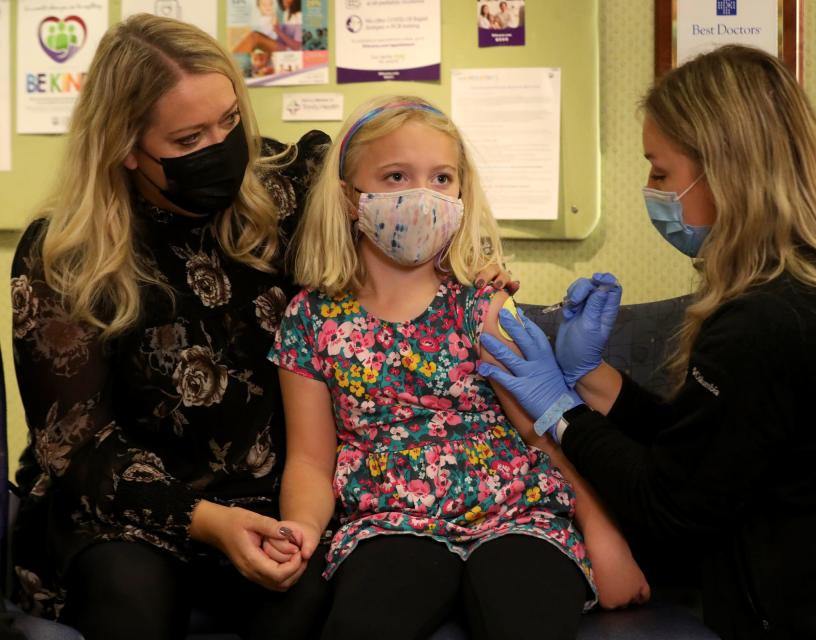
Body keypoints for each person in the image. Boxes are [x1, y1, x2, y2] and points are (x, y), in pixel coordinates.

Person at [480, 45, 816, 639]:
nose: (650, 189)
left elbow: (671, 505)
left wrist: (561, 414)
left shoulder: (767, 322)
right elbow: (715, 446)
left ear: (726, 171)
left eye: (661, 172)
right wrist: (593, 380)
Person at [266, 96, 649, 640]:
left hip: (520, 514)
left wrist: (604, 536)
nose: (423, 195)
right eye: (396, 175)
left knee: (525, 616)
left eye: (442, 177)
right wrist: (302, 528)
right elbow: (309, 458)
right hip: (390, 521)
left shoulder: (484, 304)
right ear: (349, 197)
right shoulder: (309, 318)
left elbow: (542, 433)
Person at [8, 13, 335, 640]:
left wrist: (470, 261)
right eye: (188, 141)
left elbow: (402, 177)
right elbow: (75, 448)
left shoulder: (290, 188)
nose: (221, 148)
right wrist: (207, 520)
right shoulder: (67, 257)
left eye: (230, 121)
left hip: (279, 497)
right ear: (125, 148)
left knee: (307, 602)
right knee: (128, 598)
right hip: (125, 507)